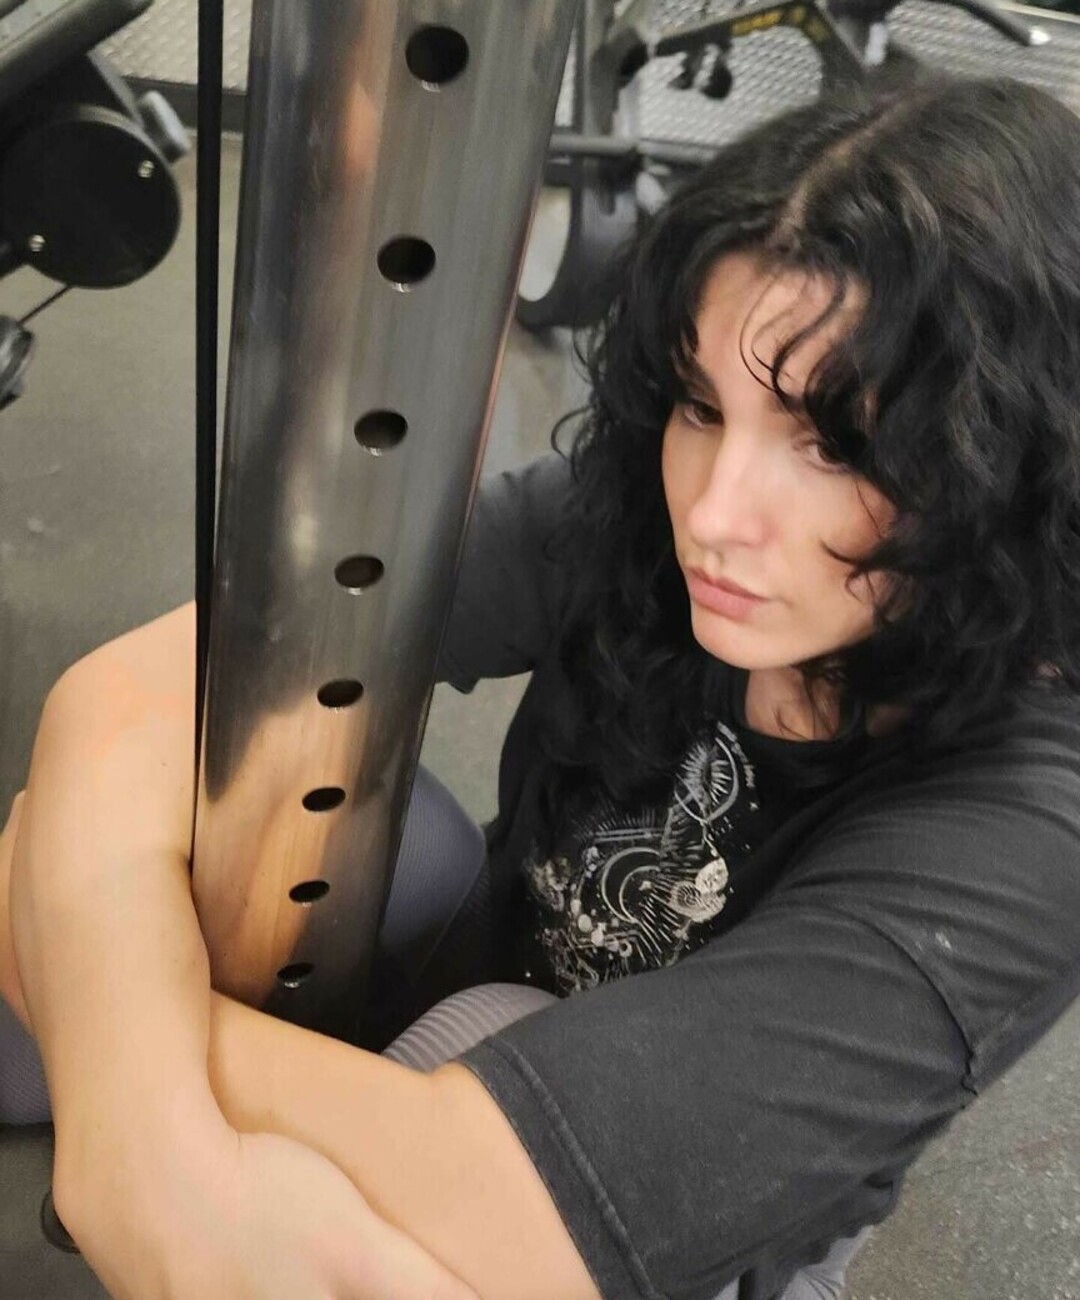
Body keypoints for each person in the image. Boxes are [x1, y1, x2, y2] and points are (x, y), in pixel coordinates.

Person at [3, 67, 1080, 1300]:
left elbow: (514, 1204)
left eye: (836, 444)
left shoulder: (1032, 828)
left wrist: (92, 973)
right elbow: (129, 698)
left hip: (689, 1213)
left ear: (1009, 466)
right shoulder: (643, 514)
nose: (714, 514)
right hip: (501, 996)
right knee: (259, 810)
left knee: (94, 897)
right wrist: (144, 1135)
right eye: (701, 404)